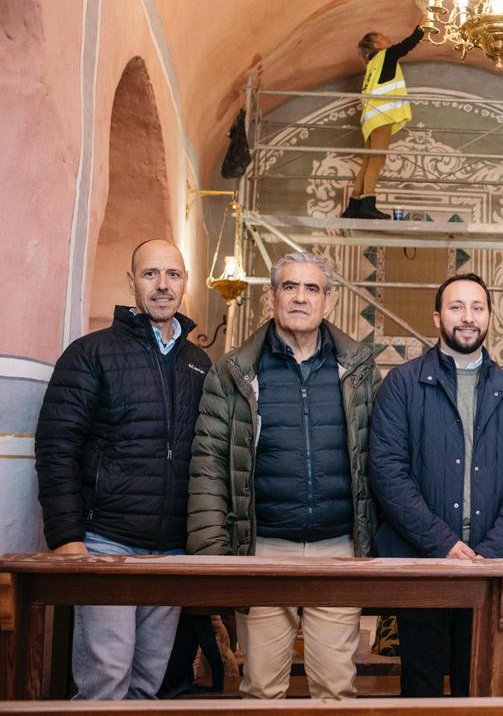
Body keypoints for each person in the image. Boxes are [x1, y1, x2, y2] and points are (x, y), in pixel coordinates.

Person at [188, 251, 379, 700]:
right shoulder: (235, 372)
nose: (300, 297)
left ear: (328, 300)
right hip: (262, 548)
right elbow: (209, 465)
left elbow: (379, 458)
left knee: (336, 687)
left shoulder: (359, 370)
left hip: (338, 548)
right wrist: (216, 559)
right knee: (261, 688)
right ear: (271, 296)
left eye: (312, 288)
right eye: (289, 287)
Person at [34, 239, 211, 699]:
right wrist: (67, 538)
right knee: (105, 682)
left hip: (172, 549)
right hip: (105, 543)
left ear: (185, 283)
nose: (162, 285)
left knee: (148, 685)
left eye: (173, 275)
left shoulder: (198, 362)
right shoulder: (91, 352)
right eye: (150, 274)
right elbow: (57, 447)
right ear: (131, 282)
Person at [369, 272, 503, 697]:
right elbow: (388, 471)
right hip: (422, 564)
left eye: (477, 308)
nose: (468, 317)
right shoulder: (402, 384)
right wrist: (442, 544)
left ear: (489, 317)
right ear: (437, 316)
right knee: (421, 686)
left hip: (487, 571)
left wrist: (491, 552)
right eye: (457, 307)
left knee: (479, 686)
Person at [341, 25, 424, 219]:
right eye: (384, 37)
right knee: (376, 161)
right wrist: (424, 18)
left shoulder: (372, 66)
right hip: (382, 116)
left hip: (371, 118)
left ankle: (354, 205)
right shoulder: (385, 56)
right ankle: (368, 203)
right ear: (377, 44)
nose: (388, 39)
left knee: (368, 162)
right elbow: (410, 43)